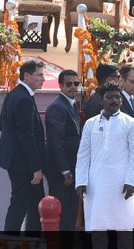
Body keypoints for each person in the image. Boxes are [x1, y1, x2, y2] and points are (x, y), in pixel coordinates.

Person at [75, 83, 134, 248]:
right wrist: (81, 181)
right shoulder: (90, 124)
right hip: (96, 184)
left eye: (117, 97)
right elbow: (83, 154)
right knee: (98, 229)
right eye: (110, 97)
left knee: (125, 229)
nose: (114, 100)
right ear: (101, 100)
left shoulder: (131, 123)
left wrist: (131, 182)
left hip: (122, 183)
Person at [0, 59, 46, 232]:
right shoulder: (23, 98)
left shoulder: (15, 94)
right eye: (39, 75)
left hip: (18, 161)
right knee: (19, 205)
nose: (43, 79)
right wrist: (35, 167)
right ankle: (10, 240)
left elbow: (2, 125)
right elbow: (26, 136)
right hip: (23, 164)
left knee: (36, 203)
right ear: (27, 75)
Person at [44, 69, 81, 232]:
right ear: (61, 85)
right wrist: (65, 170)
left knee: (70, 211)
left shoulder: (69, 104)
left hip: (71, 167)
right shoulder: (58, 107)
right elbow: (56, 142)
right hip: (61, 171)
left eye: (76, 83)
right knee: (61, 212)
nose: (73, 87)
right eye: (69, 84)